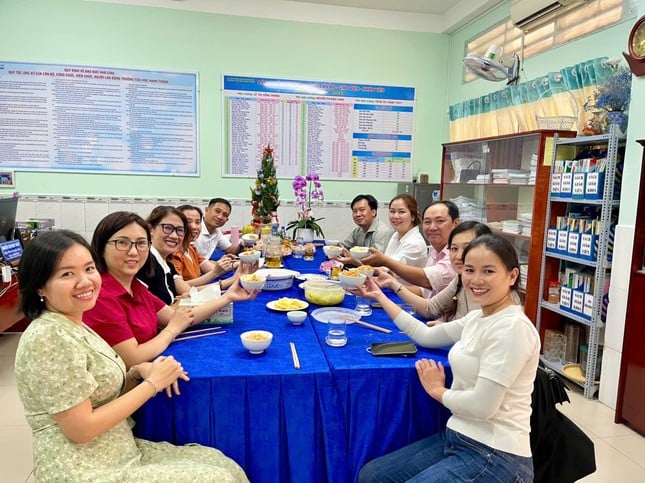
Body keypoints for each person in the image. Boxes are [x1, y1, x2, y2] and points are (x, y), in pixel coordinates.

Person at [14, 230, 249, 482]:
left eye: (89, 269)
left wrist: (136, 373)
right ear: (40, 286)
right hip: (83, 468)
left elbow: (97, 395)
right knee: (218, 479)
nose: (85, 282)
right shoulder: (49, 337)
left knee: (224, 465)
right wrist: (152, 384)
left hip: (116, 450)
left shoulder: (74, 322)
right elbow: (80, 429)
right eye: (67, 274)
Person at [356, 234, 540, 482]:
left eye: (488, 271)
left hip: (496, 454)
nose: (476, 280)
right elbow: (425, 335)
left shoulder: (512, 328)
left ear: (512, 276)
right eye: (469, 270)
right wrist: (380, 296)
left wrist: (437, 390)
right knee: (372, 475)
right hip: (457, 437)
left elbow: (482, 406)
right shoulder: (479, 318)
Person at [83, 211, 257, 368]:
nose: (134, 252)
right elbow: (133, 357)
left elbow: (176, 317)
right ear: (100, 246)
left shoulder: (133, 285)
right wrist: (172, 330)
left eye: (141, 243)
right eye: (122, 243)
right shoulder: (101, 295)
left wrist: (227, 297)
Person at [364, 221, 492, 324]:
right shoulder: (460, 277)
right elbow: (430, 308)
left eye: (439, 221)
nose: (458, 255)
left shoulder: (492, 287)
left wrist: (448, 330)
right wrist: (392, 283)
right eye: (454, 248)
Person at [138, 205, 244, 305]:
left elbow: (190, 292)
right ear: (151, 229)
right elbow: (167, 313)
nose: (193, 227)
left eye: (198, 222)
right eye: (168, 228)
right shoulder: (148, 262)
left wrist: (235, 273)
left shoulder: (188, 249)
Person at [362, 200, 460, 296]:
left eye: (440, 221)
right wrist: (391, 284)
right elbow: (423, 291)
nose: (432, 227)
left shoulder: (457, 255)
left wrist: (384, 261)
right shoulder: (435, 250)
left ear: (456, 223)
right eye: (427, 222)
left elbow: (427, 280)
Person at [170, 204, 237, 286]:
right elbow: (180, 287)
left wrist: (235, 264)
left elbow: (210, 268)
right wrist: (227, 279)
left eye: (197, 222)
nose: (194, 227)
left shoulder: (191, 248)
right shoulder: (174, 253)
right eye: (188, 221)